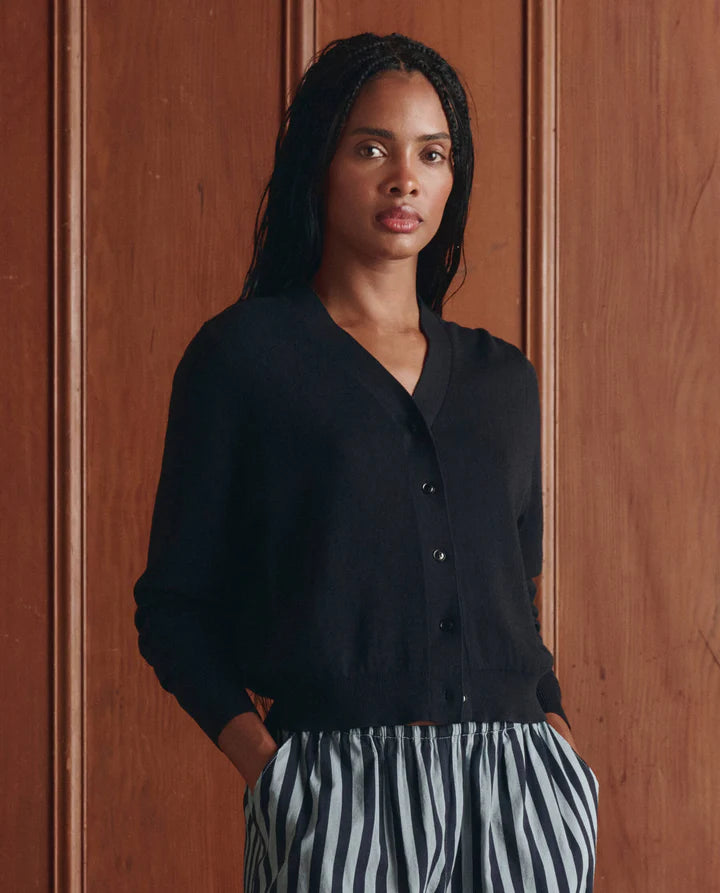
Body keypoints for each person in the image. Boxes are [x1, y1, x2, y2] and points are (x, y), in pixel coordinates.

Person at [133, 32, 599, 892]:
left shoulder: (502, 379)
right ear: (320, 161)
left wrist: (556, 731)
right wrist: (271, 770)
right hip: (337, 795)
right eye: (372, 148)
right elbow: (172, 607)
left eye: (432, 154)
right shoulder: (243, 360)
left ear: (453, 179)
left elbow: (514, 598)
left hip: (522, 790)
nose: (405, 179)